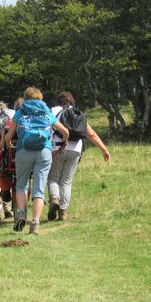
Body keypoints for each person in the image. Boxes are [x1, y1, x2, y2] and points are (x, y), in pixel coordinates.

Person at [2, 87, 69, 235]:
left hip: (23, 150)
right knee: (39, 189)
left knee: (21, 185)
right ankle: (35, 223)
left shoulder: (21, 111)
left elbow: (8, 136)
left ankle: (21, 214)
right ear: (40, 98)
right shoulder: (46, 111)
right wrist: (63, 142)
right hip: (44, 152)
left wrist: (9, 144)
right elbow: (65, 132)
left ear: (25, 98)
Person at [48, 91, 111, 221]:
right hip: (76, 149)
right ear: (72, 101)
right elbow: (91, 134)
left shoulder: (52, 111)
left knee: (53, 178)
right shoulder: (77, 113)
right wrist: (104, 149)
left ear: (58, 101)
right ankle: (63, 212)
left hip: (57, 148)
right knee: (66, 181)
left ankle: (54, 199)